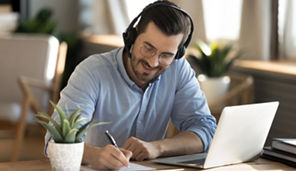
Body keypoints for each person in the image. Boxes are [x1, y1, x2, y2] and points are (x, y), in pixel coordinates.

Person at [45, 1, 216, 170]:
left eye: (166, 55)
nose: (153, 61)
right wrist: (93, 155)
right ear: (132, 37)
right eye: (148, 48)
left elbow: (205, 130)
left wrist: (157, 148)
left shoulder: (178, 70)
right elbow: (54, 143)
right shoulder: (91, 72)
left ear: (177, 54)